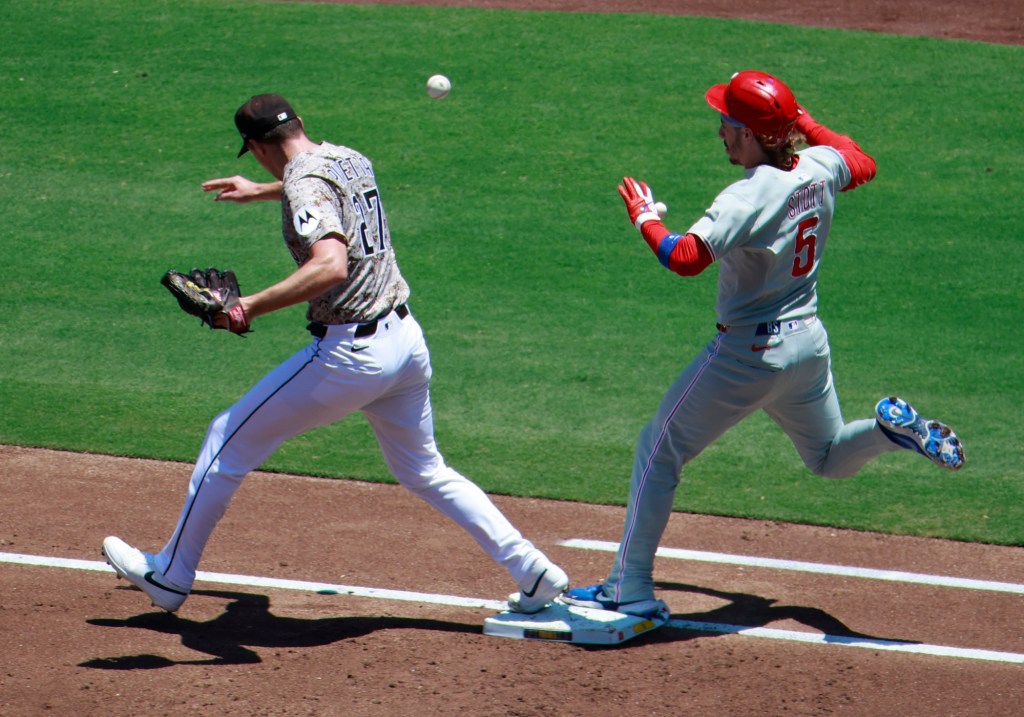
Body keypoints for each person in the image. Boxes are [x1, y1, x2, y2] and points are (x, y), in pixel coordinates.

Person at [102, 93, 568, 615]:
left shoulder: (304, 184)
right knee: (425, 470)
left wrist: (247, 307)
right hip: (406, 345)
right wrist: (262, 192)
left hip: (351, 359)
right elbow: (320, 188)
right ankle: (533, 571)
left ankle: (170, 573)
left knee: (224, 438)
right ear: (300, 125)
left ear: (256, 147)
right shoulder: (349, 157)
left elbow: (329, 266)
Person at [561, 70, 965, 619]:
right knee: (826, 457)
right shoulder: (819, 166)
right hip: (807, 348)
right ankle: (888, 433)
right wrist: (797, 120)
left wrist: (645, 220)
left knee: (658, 450)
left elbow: (685, 258)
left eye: (728, 122)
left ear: (752, 134)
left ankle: (627, 586)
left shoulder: (748, 196)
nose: (721, 132)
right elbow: (861, 162)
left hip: (747, 358)